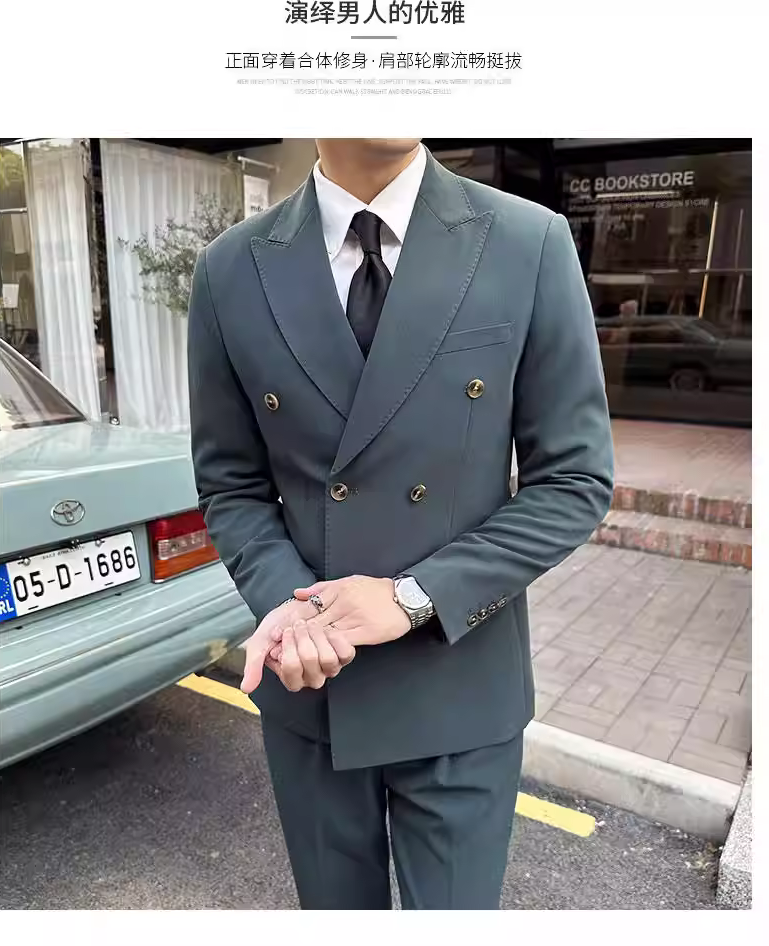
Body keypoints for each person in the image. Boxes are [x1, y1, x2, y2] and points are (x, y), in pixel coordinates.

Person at [188, 139, 614, 910]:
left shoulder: (528, 241)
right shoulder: (230, 270)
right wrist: (292, 606)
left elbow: (573, 480)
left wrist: (413, 596)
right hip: (313, 686)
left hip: (459, 688)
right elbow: (232, 483)